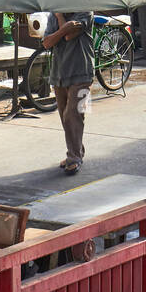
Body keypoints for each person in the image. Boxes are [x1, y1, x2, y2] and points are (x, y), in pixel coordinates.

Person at [43, 12, 94, 175]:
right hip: (59, 73)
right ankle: (76, 151)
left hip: (82, 72)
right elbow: (47, 42)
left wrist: (62, 29)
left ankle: (74, 157)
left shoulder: (85, 12)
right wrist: (61, 22)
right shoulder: (53, 15)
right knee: (65, 116)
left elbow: (70, 36)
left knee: (74, 114)